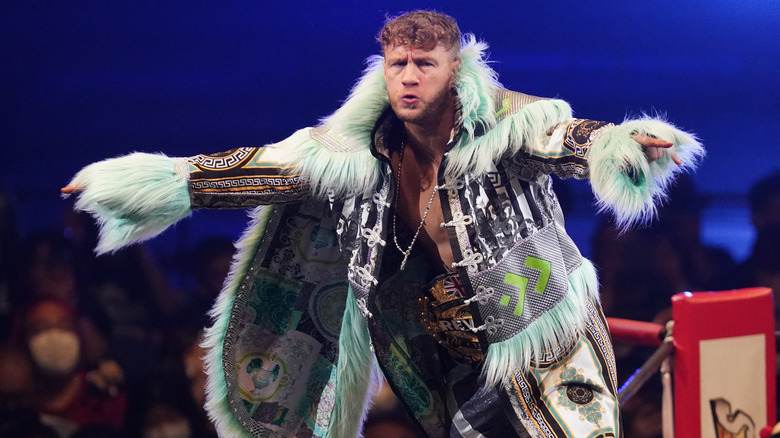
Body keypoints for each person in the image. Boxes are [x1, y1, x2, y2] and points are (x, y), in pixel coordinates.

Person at [62, 10, 703, 438]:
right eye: (398, 64)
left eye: (424, 64)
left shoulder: (509, 122)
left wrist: (619, 142)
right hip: (442, 342)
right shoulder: (348, 152)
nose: (409, 77)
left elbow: (564, 138)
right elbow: (253, 169)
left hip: (541, 324)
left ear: (457, 69)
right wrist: (149, 181)